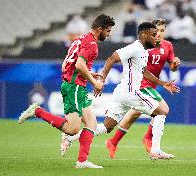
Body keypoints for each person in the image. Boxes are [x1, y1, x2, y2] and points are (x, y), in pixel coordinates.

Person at [61, 21, 180, 160]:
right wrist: (102, 80)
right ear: (144, 34)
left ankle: (71, 138)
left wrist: (163, 83)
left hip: (122, 93)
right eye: (153, 35)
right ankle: (156, 150)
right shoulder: (134, 48)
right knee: (162, 111)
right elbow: (112, 58)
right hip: (131, 92)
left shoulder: (144, 51)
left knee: (107, 126)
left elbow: (143, 72)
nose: (156, 38)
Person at [18, 14, 115, 169]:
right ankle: (38, 111)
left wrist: (87, 74)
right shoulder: (91, 44)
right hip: (74, 86)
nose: (109, 34)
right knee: (72, 129)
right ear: (99, 29)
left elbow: (66, 65)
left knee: (91, 123)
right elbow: (79, 65)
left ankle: (82, 161)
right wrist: (94, 82)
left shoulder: (80, 39)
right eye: (108, 31)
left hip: (76, 84)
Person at [104, 18, 181, 159]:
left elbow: (172, 68)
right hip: (140, 85)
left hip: (150, 86)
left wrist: (175, 64)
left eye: (162, 31)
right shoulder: (145, 46)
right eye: (156, 31)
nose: (158, 34)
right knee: (162, 110)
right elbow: (136, 65)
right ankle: (149, 140)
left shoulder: (168, 46)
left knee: (132, 115)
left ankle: (113, 141)